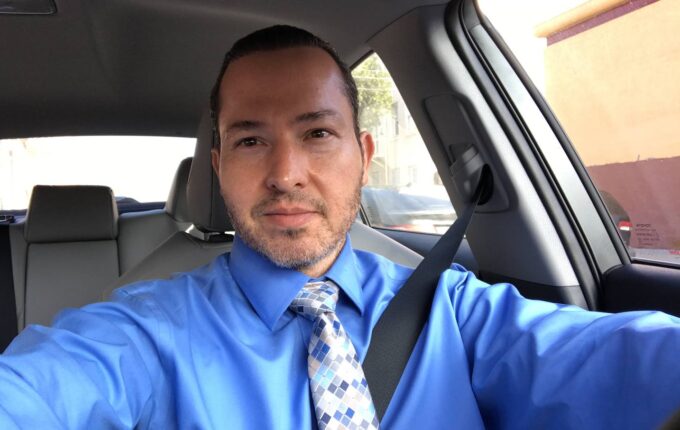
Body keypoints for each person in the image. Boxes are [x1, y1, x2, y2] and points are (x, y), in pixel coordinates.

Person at [1, 25, 679, 430]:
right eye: (249, 141)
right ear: (217, 166)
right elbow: (38, 391)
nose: (286, 172)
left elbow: (625, 357)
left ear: (364, 156)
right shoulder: (152, 331)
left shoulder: (456, 311)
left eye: (318, 134)